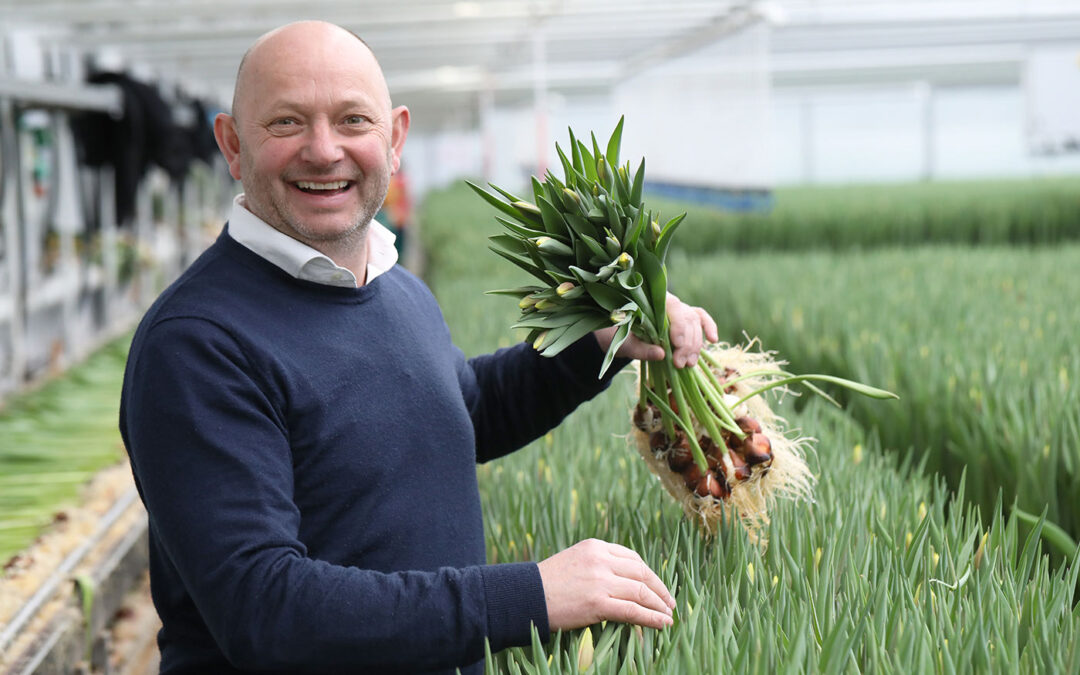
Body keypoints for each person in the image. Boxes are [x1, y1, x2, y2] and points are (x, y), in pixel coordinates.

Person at [119, 20, 719, 675]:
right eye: (287, 123)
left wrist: (596, 343)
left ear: (395, 137)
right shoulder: (198, 344)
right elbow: (267, 609)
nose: (324, 151)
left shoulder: (396, 287)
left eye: (352, 120)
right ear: (233, 146)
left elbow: (460, 409)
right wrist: (533, 594)